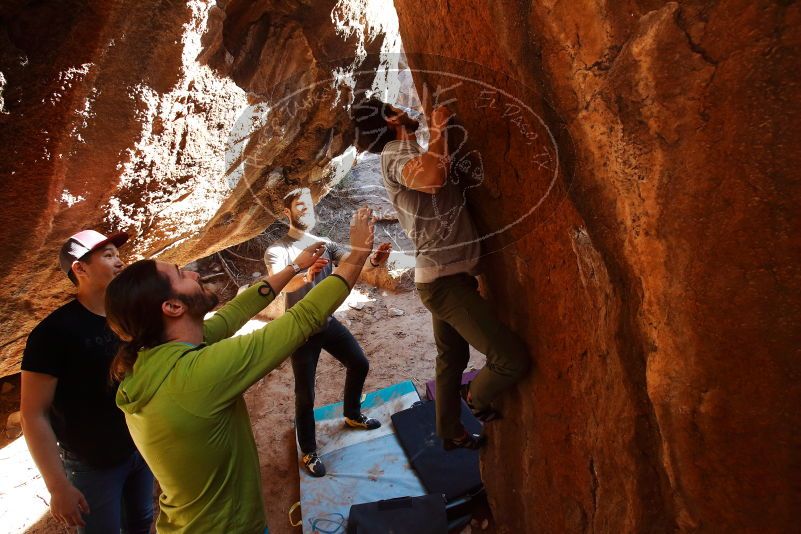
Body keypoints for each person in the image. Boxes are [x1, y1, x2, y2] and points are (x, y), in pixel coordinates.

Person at [104, 207, 376, 533]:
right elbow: (302, 319)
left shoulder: (154, 358)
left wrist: (294, 267)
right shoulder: (197, 376)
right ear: (173, 307)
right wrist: (359, 253)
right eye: (180, 274)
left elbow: (238, 310)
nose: (193, 273)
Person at [351, 98, 530, 450]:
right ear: (390, 120)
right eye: (395, 107)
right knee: (511, 360)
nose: (405, 109)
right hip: (444, 282)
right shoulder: (394, 151)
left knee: (452, 358)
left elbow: (434, 173)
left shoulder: (408, 150)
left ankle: (449, 432)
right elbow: (432, 179)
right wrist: (438, 128)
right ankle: (475, 399)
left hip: (441, 279)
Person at [20, 230, 154, 533]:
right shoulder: (53, 332)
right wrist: (57, 486)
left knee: (142, 521)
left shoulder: (130, 315)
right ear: (79, 268)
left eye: (118, 255)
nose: (120, 262)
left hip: (140, 447)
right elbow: (33, 413)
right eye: (108, 256)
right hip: (92, 463)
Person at [264, 187, 392, 477]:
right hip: (300, 329)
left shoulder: (324, 243)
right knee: (305, 394)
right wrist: (304, 275)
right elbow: (278, 285)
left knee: (359, 363)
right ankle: (308, 451)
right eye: (299, 206)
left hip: (326, 321)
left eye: (309, 205)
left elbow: (350, 261)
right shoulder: (278, 250)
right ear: (288, 213)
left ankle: (351, 415)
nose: (306, 210)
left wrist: (373, 259)